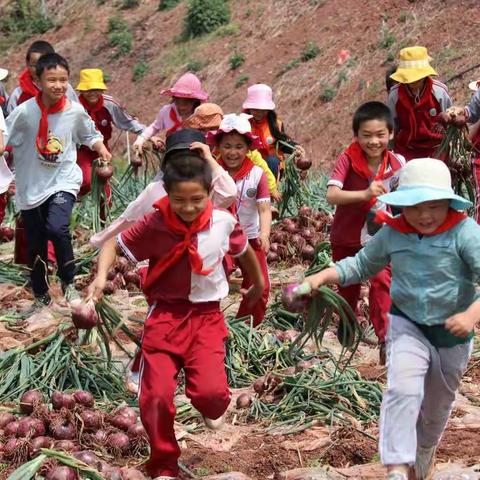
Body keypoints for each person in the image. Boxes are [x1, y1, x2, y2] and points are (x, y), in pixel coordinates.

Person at [86, 153, 264, 480]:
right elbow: (113, 243)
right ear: (167, 193)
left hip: (206, 319)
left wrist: (259, 282)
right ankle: (164, 463)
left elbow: (244, 251)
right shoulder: (155, 223)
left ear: (209, 193)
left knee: (211, 397)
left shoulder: (223, 221)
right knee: (154, 398)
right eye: (179, 200)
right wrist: (100, 279)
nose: (188, 207)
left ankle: (211, 407)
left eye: (197, 199)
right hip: (165, 317)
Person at [304, 158, 479, 480]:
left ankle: (425, 448)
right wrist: (320, 278)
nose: (424, 215)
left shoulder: (465, 233)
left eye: (434, 206)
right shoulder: (393, 233)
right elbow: (358, 266)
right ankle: (397, 467)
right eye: (414, 206)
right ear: (402, 206)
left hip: (452, 333)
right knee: (402, 390)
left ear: (448, 204)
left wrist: (471, 315)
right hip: (407, 324)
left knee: (436, 408)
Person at [6, 53, 111, 306]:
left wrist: (101, 148)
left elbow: (89, 133)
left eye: (63, 80)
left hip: (63, 180)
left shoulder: (74, 111)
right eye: (51, 80)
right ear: (38, 81)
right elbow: (4, 135)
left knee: (57, 228)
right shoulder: (24, 112)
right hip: (31, 186)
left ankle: (68, 280)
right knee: (36, 243)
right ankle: (41, 294)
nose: (58, 85)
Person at [327, 101, 405, 363]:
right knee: (348, 286)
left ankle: (386, 339)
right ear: (356, 135)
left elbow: (405, 197)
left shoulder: (397, 163)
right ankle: (348, 327)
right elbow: (332, 195)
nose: (374, 141)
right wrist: (364, 194)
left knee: (382, 281)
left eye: (380, 135)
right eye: (366, 135)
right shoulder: (347, 159)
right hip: (346, 236)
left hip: (378, 236)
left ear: (391, 134)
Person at [90, 128, 237, 248]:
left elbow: (229, 193)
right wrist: (99, 241)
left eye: (194, 156)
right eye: (179, 157)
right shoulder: (157, 190)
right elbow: (128, 220)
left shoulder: (207, 190)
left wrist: (209, 158)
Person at [207, 113, 272, 326]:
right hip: (218, 238)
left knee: (259, 285)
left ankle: (247, 325)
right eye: (227, 146)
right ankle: (209, 322)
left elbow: (264, 208)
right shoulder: (211, 172)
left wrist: (265, 234)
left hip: (251, 238)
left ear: (248, 148)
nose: (232, 152)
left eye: (238, 146)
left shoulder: (257, 174)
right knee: (210, 280)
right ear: (218, 147)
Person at [185, 103, 281, 201]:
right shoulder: (194, 149)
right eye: (201, 130)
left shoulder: (243, 151)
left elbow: (262, 167)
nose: (206, 133)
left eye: (212, 128)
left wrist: (272, 188)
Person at [76, 68, 145, 197]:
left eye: (96, 89)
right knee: (85, 181)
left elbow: (127, 121)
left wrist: (146, 133)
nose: (92, 93)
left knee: (106, 193)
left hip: (103, 150)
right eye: (88, 90)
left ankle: (104, 216)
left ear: (102, 89)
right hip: (80, 149)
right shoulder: (74, 105)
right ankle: (75, 200)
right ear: (81, 90)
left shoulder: (109, 104)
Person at [388, 46, 452, 160]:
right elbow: (392, 126)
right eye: (409, 78)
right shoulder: (395, 95)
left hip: (437, 148)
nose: (413, 82)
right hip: (407, 149)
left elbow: (450, 122)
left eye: (418, 78)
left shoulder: (439, 92)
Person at [133, 72, 208, 155]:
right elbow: (154, 127)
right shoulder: (166, 111)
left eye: (186, 102)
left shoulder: (201, 114)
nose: (181, 106)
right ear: (174, 98)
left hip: (196, 156)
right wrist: (140, 140)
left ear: (195, 101)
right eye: (178, 101)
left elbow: (209, 135)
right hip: (172, 155)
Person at [242, 83, 304, 179]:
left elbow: (282, 143)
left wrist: (294, 147)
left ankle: (272, 190)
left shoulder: (276, 124)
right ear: (249, 108)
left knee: (272, 160)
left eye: (263, 110)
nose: (259, 113)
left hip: (273, 167)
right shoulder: (243, 124)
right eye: (255, 109)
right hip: (251, 166)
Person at [6, 40, 78, 114]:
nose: (38, 68)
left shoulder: (65, 88)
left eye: (44, 64)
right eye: (34, 65)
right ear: (27, 64)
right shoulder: (18, 95)